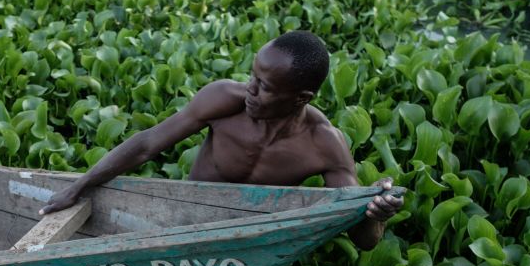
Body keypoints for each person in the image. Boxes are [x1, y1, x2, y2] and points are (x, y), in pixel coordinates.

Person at [40, 31, 403, 250]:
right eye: (253, 76)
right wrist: (81, 185)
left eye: (265, 87)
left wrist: (374, 213)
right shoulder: (224, 99)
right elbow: (149, 143)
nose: (251, 89)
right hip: (186, 220)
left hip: (253, 236)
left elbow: (365, 241)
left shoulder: (324, 144)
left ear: (302, 97)